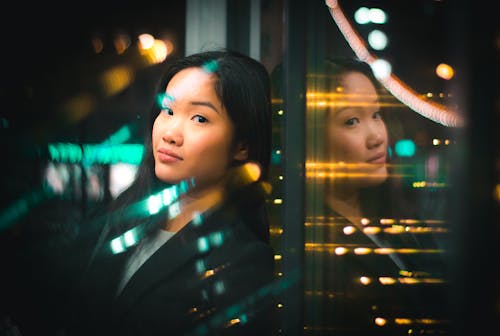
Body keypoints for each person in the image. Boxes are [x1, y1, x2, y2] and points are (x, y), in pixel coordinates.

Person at [65, 49, 277, 336]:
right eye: (168, 110)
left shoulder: (242, 262)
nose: (170, 133)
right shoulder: (124, 213)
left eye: (199, 118)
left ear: (242, 145)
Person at [304, 58, 448, 335]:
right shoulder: (310, 245)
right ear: (310, 135)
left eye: (376, 114)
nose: (376, 137)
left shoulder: (398, 217)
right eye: (351, 121)